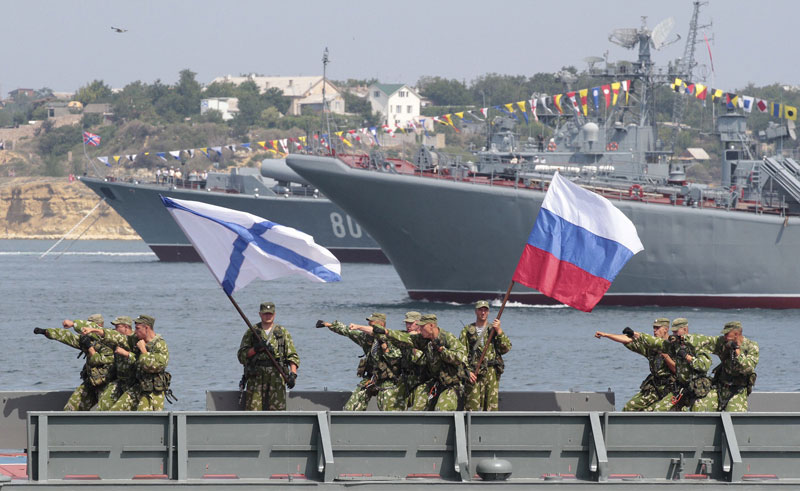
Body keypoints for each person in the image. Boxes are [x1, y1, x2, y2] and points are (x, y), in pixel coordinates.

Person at [370, 314, 468, 411]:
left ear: (431, 326)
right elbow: (405, 337)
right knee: (417, 409)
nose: (419, 329)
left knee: (441, 409)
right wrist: (386, 332)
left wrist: (442, 350)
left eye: (422, 326)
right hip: (435, 383)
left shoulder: (447, 338)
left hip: (452, 385)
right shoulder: (424, 339)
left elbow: (461, 358)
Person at [319, 313, 404, 411]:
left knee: (388, 409)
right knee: (351, 406)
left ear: (381, 325)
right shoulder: (366, 337)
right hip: (372, 378)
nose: (368, 327)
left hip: (389, 380)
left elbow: (395, 358)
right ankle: (349, 420)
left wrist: (385, 348)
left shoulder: (391, 339)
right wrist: (329, 325)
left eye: (371, 325)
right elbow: (347, 331)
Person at [86, 315, 171, 411]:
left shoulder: (160, 345)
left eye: (138, 328)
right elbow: (118, 338)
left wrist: (143, 350)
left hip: (153, 392)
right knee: (116, 410)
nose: (135, 331)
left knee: (145, 419)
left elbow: (153, 366)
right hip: (137, 387)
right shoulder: (136, 339)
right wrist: (95, 331)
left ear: (146, 328)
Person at [33, 314, 114, 411]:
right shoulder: (87, 339)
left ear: (98, 326)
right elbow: (67, 336)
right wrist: (46, 332)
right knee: (70, 410)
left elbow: (99, 360)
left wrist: (90, 347)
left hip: (106, 384)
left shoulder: (110, 341)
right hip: (91, 383)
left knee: (104, 412)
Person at [595, 318, 676, 411]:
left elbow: (676, 370)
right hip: (655, 388)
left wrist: (666, 356)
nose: (654, 330)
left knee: (653, 411)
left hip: (671, 389)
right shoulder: (651, 346)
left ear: (666, 329)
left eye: (657, 328)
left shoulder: (673, 345)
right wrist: (606, 335)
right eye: (654, 327)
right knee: (628, 408)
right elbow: (627, 340)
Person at [237, 302, 299, 411]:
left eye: (270, 314)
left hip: (276, 377)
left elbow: (292, 356)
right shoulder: (252, 332)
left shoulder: (282, 332)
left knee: (278, 413)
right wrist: (256, 349)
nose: (268, 316)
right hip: (256, 377)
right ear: (260, 314)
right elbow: (242, 356)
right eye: (265, 314)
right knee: (253, 411)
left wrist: (293, 375)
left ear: (274, 314)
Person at [648, 318, 718, 412]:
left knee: (697, 414)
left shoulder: (696, 343)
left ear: (685, 329)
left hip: (697, 389)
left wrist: (687, 357)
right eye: (673, 332)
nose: (674, 335)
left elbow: (704, 365)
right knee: (659, 410)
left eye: (676, 332)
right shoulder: (676, 345)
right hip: (682, 388)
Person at [695, 321, 759, 412]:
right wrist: (685, 339)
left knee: (734, 415)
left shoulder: (751, 347)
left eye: (727, 334)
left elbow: (747, 368)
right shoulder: (723, 343)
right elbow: (706, 341)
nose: (725, 337)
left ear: (736, 334)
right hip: (720, 387)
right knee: (700, 406)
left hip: (738, 390)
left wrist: (737, 351)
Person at [460, 300, 511, 411]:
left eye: (485, 310)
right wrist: (468, 372)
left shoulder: (493, 329)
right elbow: (461, 355)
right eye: (480, 310)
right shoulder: (467, 331)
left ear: (488, 312)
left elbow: (506, 348)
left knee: (491, 407)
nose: (483, 313)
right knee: (471, 407)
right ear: (475, 311)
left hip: (491, 373)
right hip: (475, 373)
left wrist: (499, 331)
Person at [95, 316, 137, 410]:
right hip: (120, 381)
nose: (115, 329)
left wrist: (126, 354)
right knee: (103, 405)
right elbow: (105, 335)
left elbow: (141, 360)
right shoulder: (117, 340)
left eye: (117, 326)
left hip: (134, 383)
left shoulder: (135, 340)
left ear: (126, 327)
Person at [397, 311, 431, 410]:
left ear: (418, 323)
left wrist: (412, 343)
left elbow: (423, 360)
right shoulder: (404, 336)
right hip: (406, 379)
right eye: (407, 323)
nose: (408, 326)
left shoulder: (426, 338)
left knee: (418, 409)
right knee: (394, 407)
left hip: (423, 380)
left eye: (411, 323)